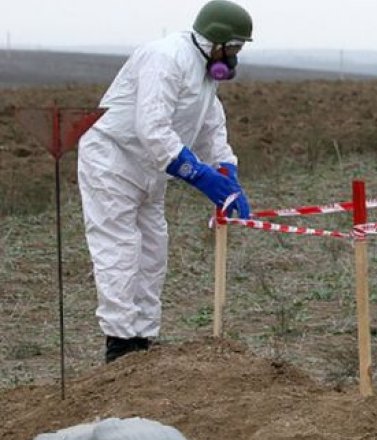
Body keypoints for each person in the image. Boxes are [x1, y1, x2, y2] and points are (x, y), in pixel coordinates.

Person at [77, 0, 254, 363]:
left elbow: (211, 127)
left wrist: (226, 173)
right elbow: (153, 130)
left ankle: (143, 339)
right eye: (233, 47)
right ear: (215, 41)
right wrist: (201, 176)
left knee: (153, 251)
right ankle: (120, 343)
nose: (235, 57)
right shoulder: (165, 58)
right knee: (120, 249)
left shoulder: (205, 75)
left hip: (151, 170)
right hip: (113, 160)